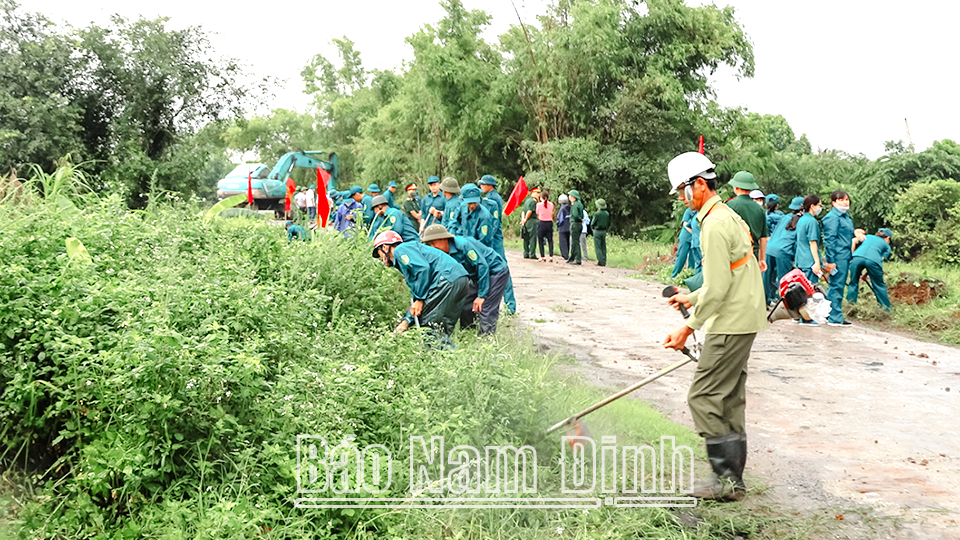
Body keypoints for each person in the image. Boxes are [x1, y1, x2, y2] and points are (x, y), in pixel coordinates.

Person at [661, 151, 766, 502]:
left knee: (703, 396)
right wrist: (692, 297)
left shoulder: (714, 224)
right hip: (745, 315)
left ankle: (725, 480)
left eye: (681, 191)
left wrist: (687, 328)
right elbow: (727, 275)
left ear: (699, 185)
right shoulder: (726, 214)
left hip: (731, 321)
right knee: (729, 397)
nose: (680, 198)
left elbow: (719, 288)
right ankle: (733, 479)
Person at [373, 231, 469, 349]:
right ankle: (443, 360)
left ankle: (450, 359)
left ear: (385, 247)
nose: (380, 258)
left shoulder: (400, 251)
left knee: (429, 327)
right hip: (460, 278)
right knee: (441, 325)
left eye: (379, 254)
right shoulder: (409, 252)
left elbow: (422, 269)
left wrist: (419, 299)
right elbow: (419, 290)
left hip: (446, 279)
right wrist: (407, 321)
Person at [421, 224, 510, 335]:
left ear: (443, 239)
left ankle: (487, 339)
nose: (432, 247)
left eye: (433, 243)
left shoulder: (463, 246)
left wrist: (481, 296)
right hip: (475, 275)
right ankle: (468, 334)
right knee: (466, 303)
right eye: (429, 245)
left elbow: (482, 266)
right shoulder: (442, 254)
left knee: (486, 306)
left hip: (495, 271)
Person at [478, 174, 517, 315]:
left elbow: (492, 224)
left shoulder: (493, 199)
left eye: (483, 184)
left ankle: (510, 305)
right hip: (492, 239)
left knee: (502, 269)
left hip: (494, 239)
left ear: (490, 186)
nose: (481, 186)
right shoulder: (490, 197)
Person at [821, 191, 859, 326]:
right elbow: (829, 240)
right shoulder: (832, 218)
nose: (845, 202)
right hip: (838, 256)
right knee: (836, 285)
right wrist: (831, 260)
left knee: (839, 285)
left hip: (845, 255)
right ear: (833, 202)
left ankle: (832, 313)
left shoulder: (846, 218)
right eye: (841, 200)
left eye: (847, 199)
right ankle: (834, 316)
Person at [725, 171, 768, 271]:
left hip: (734, 254)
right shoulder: (759, 209)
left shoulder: (729, 205)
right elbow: (763, 238)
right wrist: (762, 259)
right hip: (753, 254)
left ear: (736, 187)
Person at [764, 196, 804, 304]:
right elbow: (797, 242)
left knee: (767, 278)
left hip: (770, 248)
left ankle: (764, 302)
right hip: (784, 252)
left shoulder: (784, 217)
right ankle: (785, 303)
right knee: (784, 279)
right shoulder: (802, 221)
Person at [847, 228, 893, 311]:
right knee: (879, 285)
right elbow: (876, 262)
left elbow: (854, 241)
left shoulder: (867, 237)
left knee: (853, 282)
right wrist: (867, 274)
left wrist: (852, 255)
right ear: (888, 238)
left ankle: (850, 306)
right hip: (873, 260)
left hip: (856, 258)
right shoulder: (887, 246)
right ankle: (886, 309)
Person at [793, 195, 834, 287]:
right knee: (810, 288)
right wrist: (817, 263)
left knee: (803, 288)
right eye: (819, 205)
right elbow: (813, 243)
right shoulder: (812, 222)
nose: (820, 208)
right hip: (809, 261)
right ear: (812, 206)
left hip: (801, 260)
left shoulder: (801, 220)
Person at [671, 207, 697, 278]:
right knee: (681, 256)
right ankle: (674, 276)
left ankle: (690, 276)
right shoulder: (688, 211)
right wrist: (694, 232)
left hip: (694, 238)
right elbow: (685, 224)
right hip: (685, 237)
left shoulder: (700, 212)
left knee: (693, 258)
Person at [520, 186, 540, 259]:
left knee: (526, 237)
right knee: (532, 238)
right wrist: (525, 219)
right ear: (533, 192)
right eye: (537, 193)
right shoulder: (533, 202)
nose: (539, 194)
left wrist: (523, 219)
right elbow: (529, 211)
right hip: (531, 220)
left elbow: (523, 211)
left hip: (526, 221)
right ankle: (532, 254)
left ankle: (526, 253)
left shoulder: (527, 201)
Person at [536, 190, 555, 262]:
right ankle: (551, 256)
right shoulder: (551, 204)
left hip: (542, 222)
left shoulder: (538, 205)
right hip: (549, 222)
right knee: (550, 240)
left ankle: (542, 256)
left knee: (540, 240)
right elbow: (552, 213)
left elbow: (538, 213)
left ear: (541, 197)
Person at [567, 190, 584, 265]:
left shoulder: (574, 205)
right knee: (575, 241)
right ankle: (572, 258)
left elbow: (575, 214)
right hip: (579, 224)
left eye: (570, 195)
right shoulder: (580, 204)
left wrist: (578, 219)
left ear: (573, 197)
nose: (569, 197)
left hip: (574, 224)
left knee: (575, 242)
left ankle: (577, 259)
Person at [592, 199, 610, 266]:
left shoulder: (597, 213)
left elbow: (593, 223)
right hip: (604, 231)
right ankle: (604, 260)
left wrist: (592, 227)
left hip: (597, 230)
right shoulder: (607, 214)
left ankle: (600, 261)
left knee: (598, 246)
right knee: (603, 246)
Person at [557, 194, 571, 261]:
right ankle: (567, 254)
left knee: (563, 242)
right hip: (569, 226)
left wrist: (558, 224)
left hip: (563, 227)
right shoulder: (570, 207)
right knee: (568, 241)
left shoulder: (562, 209)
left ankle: (564, 255)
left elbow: (560, 219)